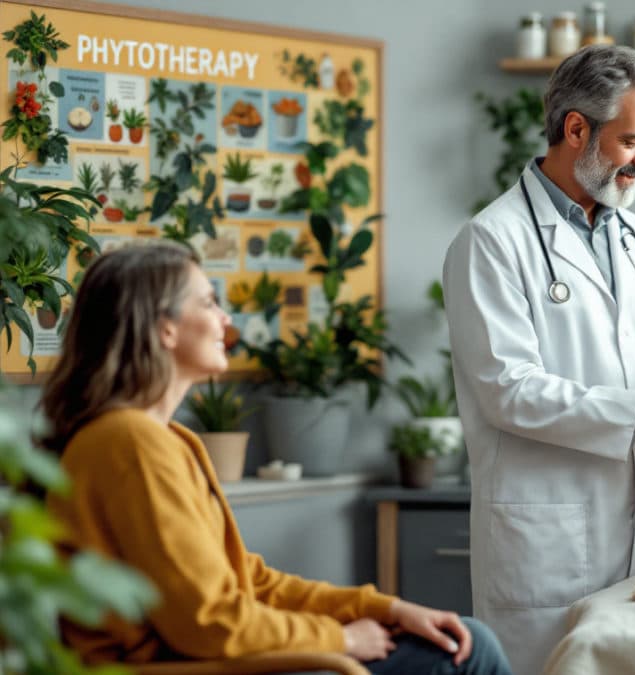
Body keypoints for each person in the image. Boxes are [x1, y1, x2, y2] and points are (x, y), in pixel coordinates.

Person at [41, 241, 512, 674]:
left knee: (465, 638)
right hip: (193, 667)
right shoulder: (130, 443)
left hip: (220, 657)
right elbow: (211, 623)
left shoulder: (163, 438)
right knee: (466, 652)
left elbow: (248, 582)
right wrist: (341, 639)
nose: (225, 319)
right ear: (163, 327)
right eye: (208, 302)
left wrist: (383, 610)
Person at [442, 45, 635, 673]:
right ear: (575, 128)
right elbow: (508, 389)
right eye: (633, 141)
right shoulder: (492, 242)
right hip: (548, 546)